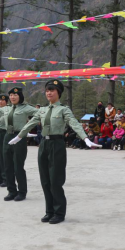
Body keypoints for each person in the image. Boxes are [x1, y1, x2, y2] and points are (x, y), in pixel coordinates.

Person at [12, 79, 101, 224]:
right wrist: (19, 136)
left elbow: (74, 123)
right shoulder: (42, 110)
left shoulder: (64, 109)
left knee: (55, 180)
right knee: (45, 181)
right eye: (47, 90)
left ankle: (59, 212)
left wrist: (85, 138)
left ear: (58, 93)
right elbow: (30, 124)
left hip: (57, 145)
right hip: (44, 145)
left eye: (52, 90)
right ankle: (49, 211)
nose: (49, 93)